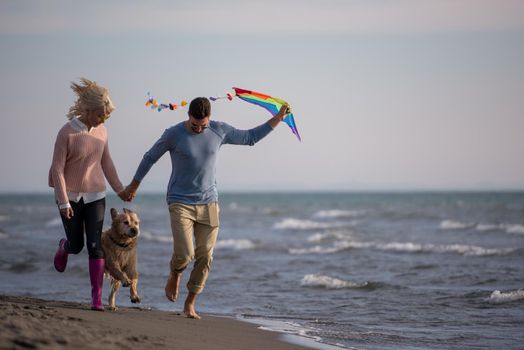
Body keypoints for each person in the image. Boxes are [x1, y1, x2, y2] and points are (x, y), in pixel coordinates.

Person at [123, 97, 289, 319]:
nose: (200, 129)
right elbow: (150, 157)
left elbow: (250, 138)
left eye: (203, 125)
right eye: (195, 125)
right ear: (188, 116)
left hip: (209, 202)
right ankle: (175, 272)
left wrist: (278, 118)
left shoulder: (219, 130)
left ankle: (190, 303)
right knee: (185, 253)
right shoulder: (173, 134)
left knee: (205, 256)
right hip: (180, 201)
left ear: (209, 118)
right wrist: (134, 184)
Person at [49, 78, 127, 311]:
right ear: (88, 110)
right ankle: (64, 247)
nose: (104, 120)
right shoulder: (67, 133)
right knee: (77, 245)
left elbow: (107, 163)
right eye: (101, 115)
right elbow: (57, 169)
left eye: (107, 116)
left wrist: (120, 189)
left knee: (96, 246)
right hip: (70, 197)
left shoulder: (102, 132)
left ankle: (96, 298)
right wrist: (63, 202)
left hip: (96, 196)